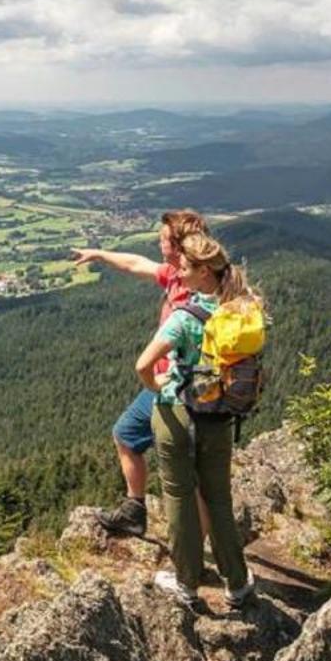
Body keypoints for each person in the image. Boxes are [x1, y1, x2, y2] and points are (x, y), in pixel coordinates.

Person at [134, 232, 261, 609]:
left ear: (204, 270)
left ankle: (186, 583)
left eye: (186, 268)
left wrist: (157, 384)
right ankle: (237, 584)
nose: (180, 273)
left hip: (177, 412)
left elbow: (142, 364)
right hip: (221, 415)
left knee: (179, 495)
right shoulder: (242, 309)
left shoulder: (185, 317)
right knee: (218, 497)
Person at [70, 210, 211, 538]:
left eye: (162, 238)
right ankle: (137, 510)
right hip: (171, 386)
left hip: (180, 389)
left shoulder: (195, 287)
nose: (157, 241)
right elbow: (136, 264)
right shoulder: (182, 274)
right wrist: (100, 254)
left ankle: (196, 555)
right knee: (126, 435)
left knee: (189, 477)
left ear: (178, 245)